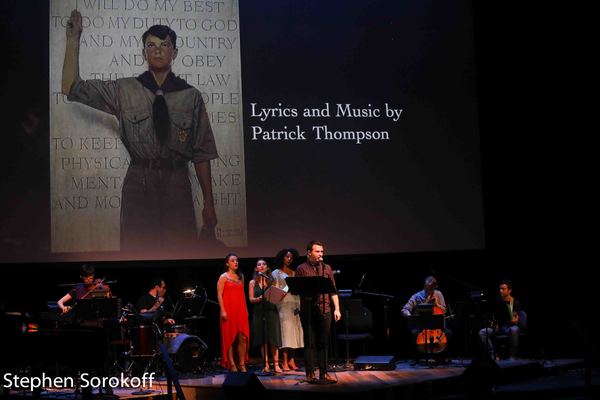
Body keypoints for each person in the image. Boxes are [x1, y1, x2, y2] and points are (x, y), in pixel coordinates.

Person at [62, 10, 218, 253]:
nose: (157, 50)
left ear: (174, 52)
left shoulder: (191, 96)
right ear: (143, 52)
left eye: (164, 45)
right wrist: (73, 40)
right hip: (138, 180)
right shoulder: (123, 90)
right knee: (137, 249)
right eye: (151, 45)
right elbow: (71, 88)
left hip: (177, 181)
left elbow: (201, 153)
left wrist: (209, 202)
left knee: (181, 250)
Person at [296, 240, 341, 383]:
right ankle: (310, 372)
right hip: (308, 310)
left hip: (325, 309)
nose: (320, 254)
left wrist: (337, 309)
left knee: (323, 342)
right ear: (309, 253)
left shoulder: (326, 268)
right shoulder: (301, 268)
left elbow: (333, 290)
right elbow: (298, 290)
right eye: (317, 251)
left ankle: (324, 372)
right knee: (310, 342)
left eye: (322, 251)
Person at [401, 276, 452, 364]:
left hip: (436, 326)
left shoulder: (439, 294)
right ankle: (416, 358)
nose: (429, 292)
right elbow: (404, 309)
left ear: (435, 288)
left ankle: (442, 357)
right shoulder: (417, 296)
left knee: (449, 333)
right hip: (421, 326)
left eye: (431, 289)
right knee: (414, 333)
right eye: (428, 289)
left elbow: (444, 310)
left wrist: (437, 304)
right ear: (424, 286)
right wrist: (410, 317)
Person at [272, 248, 303, 371]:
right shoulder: (276, 273)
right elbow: (274, 292)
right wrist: (286, 289)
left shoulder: (295, 273)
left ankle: (291, 360)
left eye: (291, 257)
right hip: (283, 305)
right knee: (286, 334)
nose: (289, 259)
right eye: (287, 257)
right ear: (282, 258)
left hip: (295, 303)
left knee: (296, 333)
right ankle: (284, 361)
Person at [217, 253, 249, 372]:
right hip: (228, 310)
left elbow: (243, 295)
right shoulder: (223, 277)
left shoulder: (241, 277)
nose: (236, 262)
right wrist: (223, 310)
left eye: (237, 260)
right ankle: (231, 363)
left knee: (243, 337)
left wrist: (245, 310)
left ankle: (241, 363)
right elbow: (219, 294)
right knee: (229, 337)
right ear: (227, 263)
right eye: (233, 260)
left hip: (240, 310)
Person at [249, 259, 282, 373]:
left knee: (273, 339)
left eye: (264, 264)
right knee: (262, 340)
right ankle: (266, 364)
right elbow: (251, 299)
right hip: (259, 312)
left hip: (271, 311)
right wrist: (259, 299)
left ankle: (276, 364)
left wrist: (277, 296)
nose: (261, 266)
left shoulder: (273, 281)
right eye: (259, 264)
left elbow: (276, 298)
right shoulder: (252, 283)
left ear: (267, 268)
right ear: (256, 268)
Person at [479, 280, 523, 360]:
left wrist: (506, 319)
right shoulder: (497, 301)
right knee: (482, 332)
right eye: (500, 289)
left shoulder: (515, 302)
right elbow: (493, 316)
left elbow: (515, 320)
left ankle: (513, 356)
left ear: (509, 290)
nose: (500, 291)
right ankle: (493, 354)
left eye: (503, 289)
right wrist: (493, 321)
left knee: (515, 329)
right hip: (499, 327)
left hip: (509, 327)